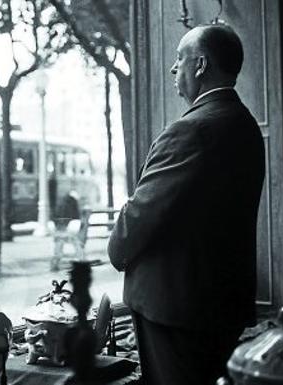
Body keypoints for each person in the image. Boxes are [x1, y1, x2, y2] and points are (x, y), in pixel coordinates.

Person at [107, 25, 265, 385]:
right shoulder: (245, 125)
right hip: (221, 305)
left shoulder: (190, 130)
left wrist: (116, 249)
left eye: (180, 58)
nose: (173, 68)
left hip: (176, 309)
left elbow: (141, 214)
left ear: (200, 64)